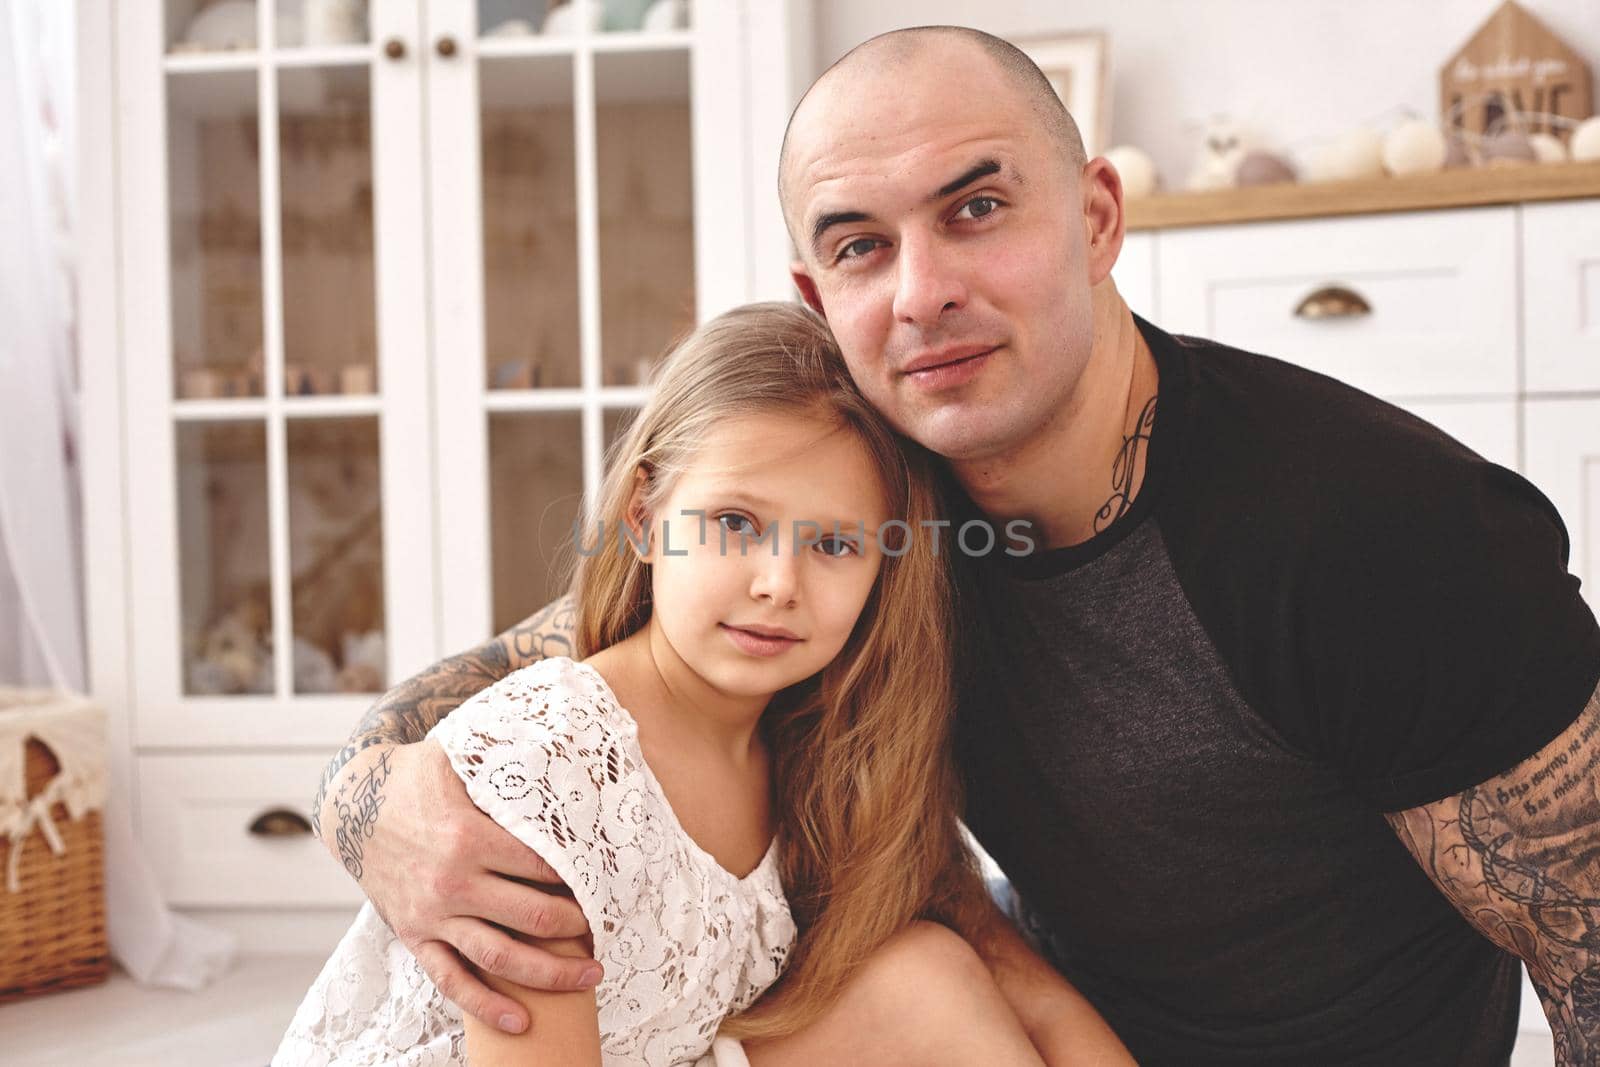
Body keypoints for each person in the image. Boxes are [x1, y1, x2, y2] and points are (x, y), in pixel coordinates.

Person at [309, 25, 1600, 1066]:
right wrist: (375, 809)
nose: (920, 290)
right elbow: (526, 683)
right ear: (822, 297)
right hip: (1023, 1024)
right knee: (879, 968)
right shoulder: (867, 506)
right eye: (861, 244)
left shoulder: (1373, 529)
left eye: (975, 207)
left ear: (1097, 220)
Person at [277, 303, 1131, 1066]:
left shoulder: (809, 743)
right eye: (733, 523)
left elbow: (1015, 979)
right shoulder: (557, 759)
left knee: (926, 979)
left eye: (834, 544)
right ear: (645, 519)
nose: (777, 583)